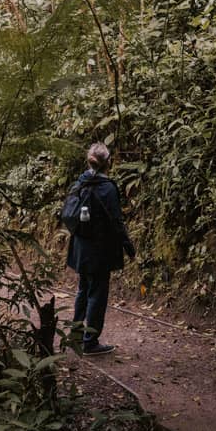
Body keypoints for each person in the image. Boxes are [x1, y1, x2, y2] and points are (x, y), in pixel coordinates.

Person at [66, 142, 135, 355]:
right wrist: (128, 246)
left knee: (83, 290)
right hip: (100, 251)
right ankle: (90, 342)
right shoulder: (107, 188)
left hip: (80, 249)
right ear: (108, 163)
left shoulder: (80, 182)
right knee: (97, 293)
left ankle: (76, 336)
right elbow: (116, 221)